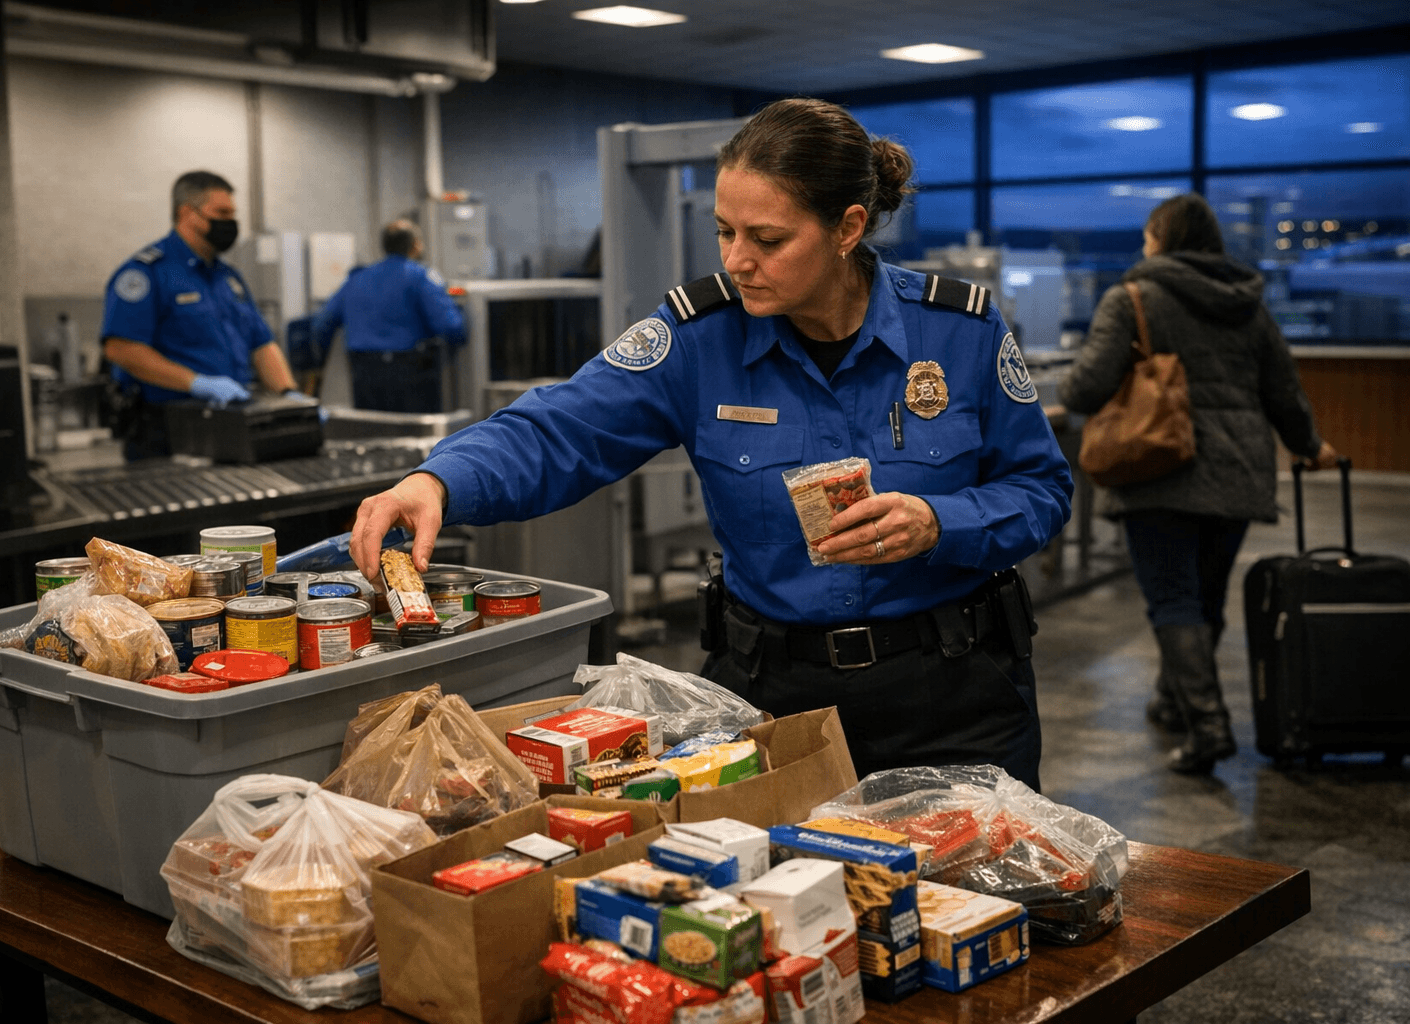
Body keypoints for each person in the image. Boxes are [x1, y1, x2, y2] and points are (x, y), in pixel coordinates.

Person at [349, 99, 1073, 788]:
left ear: (848, 228)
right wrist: (439, 481)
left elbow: (1040, 491)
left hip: (954, 697)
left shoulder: (960, 332)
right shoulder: (700, 339)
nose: (737, 260)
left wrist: (939, 523)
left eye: (768, 239)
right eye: (725, 231)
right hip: (774, 700)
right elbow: (559, 427)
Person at [1060, 193, 1337, 775]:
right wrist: (1310, 446)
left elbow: (1083, 390)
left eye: (1147, 234)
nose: (1143, 244)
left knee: (1174, 600)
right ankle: (1171, 698)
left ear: (1161, 238)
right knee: (1205, 598)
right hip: (1238, 472)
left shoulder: (1133, 296)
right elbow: (1283, 390)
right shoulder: (1249, 305)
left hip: (1158, 468)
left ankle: (1209, 727)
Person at [101, 170, 301, 460]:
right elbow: (121, 348)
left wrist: (288, 395)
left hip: (231, 421)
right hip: (168, 429)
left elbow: (262, 343)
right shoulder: (147, 272)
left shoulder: (229, 278)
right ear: (187, 213)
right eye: (221, 212)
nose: (231, 222)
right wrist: (197, 383)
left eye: (233, 213)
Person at [311, 219, 467, 413]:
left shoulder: (357, 279)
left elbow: (321, 323)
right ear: (416, 245)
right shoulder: (420, 276)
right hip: (410, 374)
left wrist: (318, 362)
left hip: (363, 373)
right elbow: (450, 326)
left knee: (374, 433)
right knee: (415, 437)